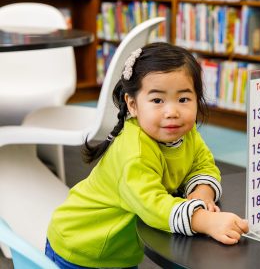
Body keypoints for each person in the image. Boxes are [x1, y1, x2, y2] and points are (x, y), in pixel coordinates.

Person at [45, 42, 249, 268]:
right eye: (157, 100)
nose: (172, 112)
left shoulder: (186, 133)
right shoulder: (135, 152)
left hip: (119, 251)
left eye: (183, 99)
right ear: (132, 105)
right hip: (83, 249)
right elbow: (153, 206)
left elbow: (203, 164)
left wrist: (202, 192)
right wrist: (205, 220)